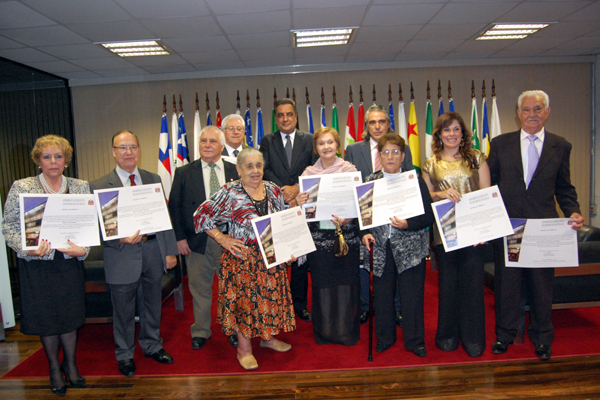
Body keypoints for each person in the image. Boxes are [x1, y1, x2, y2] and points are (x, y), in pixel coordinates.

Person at [488, 90, 584, 360]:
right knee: (508, 285)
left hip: (544, 229)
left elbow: (564, 188)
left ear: (547, 112)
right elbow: (490, 186)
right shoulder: (500, 144)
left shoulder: (560, 145)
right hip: (512, 228)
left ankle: (542, 338)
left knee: (542, 287)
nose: (532, 115)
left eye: (537, 109)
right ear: (518, 114)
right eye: (526, 110)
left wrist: (573, 211)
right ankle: (505, 335)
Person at [193, 148, 296, 370]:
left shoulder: (273, 190)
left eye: (258, 165)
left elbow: (280, 223)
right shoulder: (230, 192)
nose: (255, 171)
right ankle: (244, 350)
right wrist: (222, 238)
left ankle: (267, 338)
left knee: (269, 300)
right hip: (242, 260)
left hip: (269, 257)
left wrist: (287, 249)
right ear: (239, 169)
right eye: (249, 166)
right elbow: (200, 215)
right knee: (244, 305)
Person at [2, 135, 90, 396]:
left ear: (66, 159)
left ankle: (71, 364)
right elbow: (8, 227)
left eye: (58, 156)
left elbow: (87, 226)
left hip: (69, 263)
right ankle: (54, 367)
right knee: (48, 318)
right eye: (47, 156)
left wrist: (83, 249)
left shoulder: (80, 187)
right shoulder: (22, 187)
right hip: (38, 266)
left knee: (70, 316)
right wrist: (28, 248)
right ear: (38, 160)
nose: (53, 161)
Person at [90, 130, 178, 377]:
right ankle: (125, 354)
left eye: (133, 147)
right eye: (122, 148)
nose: (128, 152)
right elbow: (97, 225)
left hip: (152, 250)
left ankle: (152, 345)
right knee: (124, 310)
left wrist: (170, 251)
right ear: (113, 152)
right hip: (121, 254)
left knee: (152, 304)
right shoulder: (98, 186)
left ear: (139, 150)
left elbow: (164, 218)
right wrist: (121, 238)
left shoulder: (152, 179)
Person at [422, 112, 491, 358]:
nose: (451, 134)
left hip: (473, 233)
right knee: (448, 286)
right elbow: (425, 197)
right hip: (445, 234)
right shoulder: (430, 163)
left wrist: (484, 229)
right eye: (446, 130)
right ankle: (448, 336)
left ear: (463, 133)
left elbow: (486, 194)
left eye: (456, 129)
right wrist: (441, 194)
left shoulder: (477, 158)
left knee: (472, 287)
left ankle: (473, 339)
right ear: (439, 134)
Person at [361, 134, 433, 357]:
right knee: (382, 297)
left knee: (412, 297)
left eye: (395, 152)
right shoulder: (369, 181)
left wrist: (408, 223)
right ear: (379, 155)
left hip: (411, 248)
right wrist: (364, 233)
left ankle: (415, 341)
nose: (390, 156)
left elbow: (428, 216)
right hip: (382, 248)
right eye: (385, 152)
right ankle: (385, 338)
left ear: (403, 156)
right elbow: (361, 217)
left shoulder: (415, 180)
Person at [168, 126, 239, 350]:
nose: (207, 145)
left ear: (221, 146)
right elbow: (175, 208)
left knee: (231, 288)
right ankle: (200, 330)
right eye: (203, 141)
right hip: (195, 241)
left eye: (212, 142)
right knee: (199, 288)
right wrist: (179, 239)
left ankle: (233, 329)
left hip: (229, 241)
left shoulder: (235, 170)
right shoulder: (183, 172)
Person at [345, 105, 413, 326]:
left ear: (388, 123)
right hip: (367, 215)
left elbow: (408, 178)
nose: (377, 126)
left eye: (381, 121)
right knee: (366, 263)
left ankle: (397, 308)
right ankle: (366, 307)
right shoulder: (354, 149)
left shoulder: (401, 147)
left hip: (394, 215)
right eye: (372, 122)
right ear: (366, 126)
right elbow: (351, 182)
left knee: (394, 263)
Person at [295, 127, 361, 346]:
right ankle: (325, 333)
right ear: (316, 148)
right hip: (319, 238)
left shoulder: (349, 170)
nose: (326, 147)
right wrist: (299, 203)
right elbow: (303, 211)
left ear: (337, 145)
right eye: (322, 143)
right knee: (323, 283)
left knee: (345, 283)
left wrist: (348, 219)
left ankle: (345, 332)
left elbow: (359, 203)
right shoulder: (307, 175)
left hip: (346, 235)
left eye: (330, 142)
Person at [260, 98, 317, 321]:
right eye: (281, 115)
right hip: (276, 203)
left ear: (296, 116)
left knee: (300, 257)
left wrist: (296, 189)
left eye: (289, 114)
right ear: (276, 119)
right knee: (279, 258)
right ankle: (279, 304)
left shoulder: (310, 140)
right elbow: (264, 168)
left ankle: (299, 304)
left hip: (302, 203)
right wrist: (284, 191)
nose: (285, 119)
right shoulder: (267, 140)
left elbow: (314, 168)